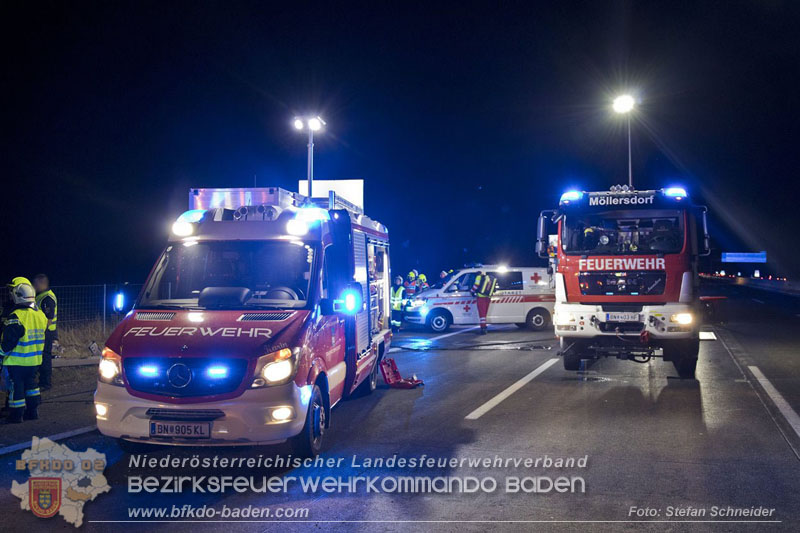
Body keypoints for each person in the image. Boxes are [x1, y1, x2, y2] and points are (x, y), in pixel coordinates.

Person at [1, 277, 47, 423]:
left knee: (17, 388)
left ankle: (16, 415)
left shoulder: (17, 316)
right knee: (32, 386)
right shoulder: (40, 315)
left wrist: (1, 353)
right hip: (34, 361)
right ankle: (32, 412)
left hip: (17, 361)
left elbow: (8, 341)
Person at [33, 274, 57, 391]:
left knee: (45, 358)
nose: (34, 286)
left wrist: (38, 331)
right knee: (43, 357)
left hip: (46, 333)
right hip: (44, 332)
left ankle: (45, 383)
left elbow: (48, 319)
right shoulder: (42, 296)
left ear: (42, 284)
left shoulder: (47, 298)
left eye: (36, 284)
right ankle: (43, 381)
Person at [471, 271, 498, 335]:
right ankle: (484, 326)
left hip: (481, 297)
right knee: (484, 313)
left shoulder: (478, 277)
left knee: (482, 314)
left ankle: (483, 328)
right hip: (488, 297)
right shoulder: (490, 278)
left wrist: (471, 291)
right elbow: (494, 289)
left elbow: (476, 286)